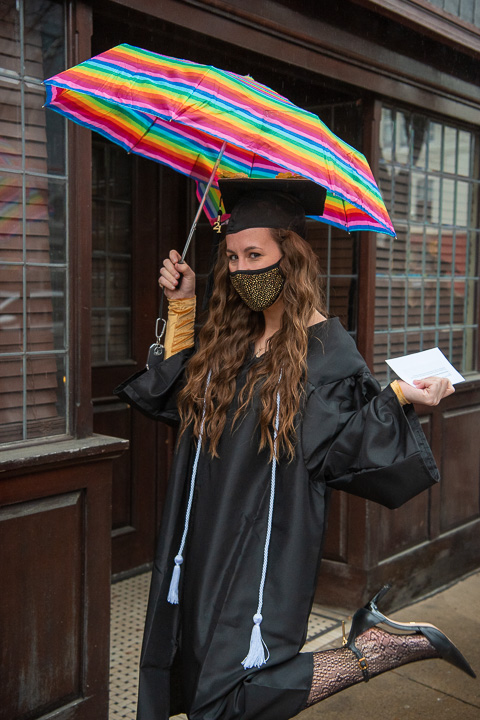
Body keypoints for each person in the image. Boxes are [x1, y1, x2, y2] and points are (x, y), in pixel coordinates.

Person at [115, 179, 475, 720]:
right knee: (192, 672)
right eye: (233, 257)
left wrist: (399, 397)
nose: (240, 269)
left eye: (255, 254)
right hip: (202, 535)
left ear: (291, 257)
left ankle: (372, 651)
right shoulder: (231, 339)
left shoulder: (328, 353)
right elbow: (179, 400)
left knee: (227, 696)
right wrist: (184, 306)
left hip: (266, 544)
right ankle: (374, 645)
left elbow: (338, 451)